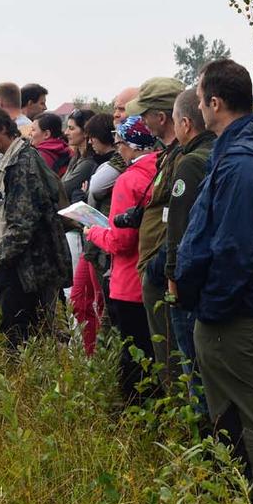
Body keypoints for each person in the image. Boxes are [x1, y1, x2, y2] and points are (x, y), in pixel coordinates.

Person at [175, 59, 253, 504]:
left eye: (201, 96)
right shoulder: (238, 148)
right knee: (227, 412)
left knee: (247, 413)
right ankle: (232, 491)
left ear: (215, 103)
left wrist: (210, 306)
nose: (198, 105)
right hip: (230, 308)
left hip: (236, 311)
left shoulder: (245, 161)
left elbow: (235, 249)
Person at [0, 103, 71, 354]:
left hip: (28, 267)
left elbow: (23, 224)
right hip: (21, 263)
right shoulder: (15, 156)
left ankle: (21, 381)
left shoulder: (23, 163)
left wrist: (1, 260)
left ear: (2, 129)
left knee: (19, 332)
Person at [85, 116, 159, 406]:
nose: (118, 150)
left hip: (129, 281)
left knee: (133, 352)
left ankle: (133, 410)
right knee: (156, 350)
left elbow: (121, 241)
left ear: (129, 145)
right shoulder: (164, 169)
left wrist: (94, 233)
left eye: (119, 144)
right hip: (156, 277)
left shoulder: (129, 180)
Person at [127, 77, 185, 393]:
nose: (141, 122)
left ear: (161, 117)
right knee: (164, 355)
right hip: (156, 270)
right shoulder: (169, 154)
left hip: (164, 273)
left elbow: (180, 219)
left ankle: (181, 424)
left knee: (173, 359)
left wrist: (157, 267)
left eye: (145, 114)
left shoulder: (184, 158)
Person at [164, 88, 216, 417]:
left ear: (185, 124)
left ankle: (204, 442)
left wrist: (172, 278)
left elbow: (178, 228)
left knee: (194, 370)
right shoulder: (222, 154)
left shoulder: (189, 164)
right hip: (218, 278)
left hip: (191, 283)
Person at [71, 113, 116, 355]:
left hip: (101, 246)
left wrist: (81, 196)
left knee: (99, 303)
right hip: (91, 243)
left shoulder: (110, 165)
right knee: (79, 299)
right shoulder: (94, 162)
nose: (89, 143)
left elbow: (87, 191)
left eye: (91, 138)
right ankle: (89, 353)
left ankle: (99, 357)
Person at [60, 109, 97, 297]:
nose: (66, 132)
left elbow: (62, 189)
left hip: (78, 232)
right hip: (72, 229)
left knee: (75, 291)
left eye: (71, 128)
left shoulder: (88, 163)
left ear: (85, 132)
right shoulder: (76, 159)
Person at [30, 113, 71, 177]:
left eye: (33, 130)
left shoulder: (40, 156)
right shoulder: (66, 150)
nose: (30, 133)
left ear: (46, 134)